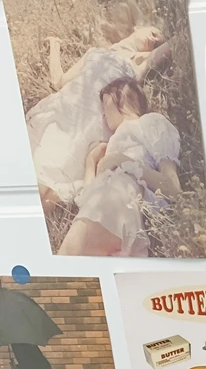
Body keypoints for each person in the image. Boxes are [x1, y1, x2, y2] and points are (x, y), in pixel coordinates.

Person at [26, 26, 171, 214]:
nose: (154, 39)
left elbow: (171, 44)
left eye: (157, 41)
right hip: (68, 111)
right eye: (153, 32)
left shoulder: (137, 64)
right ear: (137, 27)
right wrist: (55, 45)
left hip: (92, 127)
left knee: (47, 195)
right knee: (36, 173)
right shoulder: (94, 52)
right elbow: (59, 81)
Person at [57, 77, 181, 257]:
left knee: (69, 262)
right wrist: (91, 163)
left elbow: (173, 189)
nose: (103, 114)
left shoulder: (150, 122)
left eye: (105, 105)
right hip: (106, 209)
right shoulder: (113, 145)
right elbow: (86, 201)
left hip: (123, 201)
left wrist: (122, 161)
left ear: (122, 97)